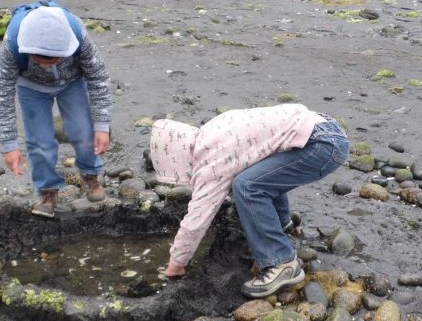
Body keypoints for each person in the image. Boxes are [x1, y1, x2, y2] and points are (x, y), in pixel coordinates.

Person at [150, 103, 349, 298]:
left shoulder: (212, 160)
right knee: (256, 171)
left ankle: (282, 264)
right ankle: (281, 224)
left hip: (320, 145)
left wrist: (176, 264)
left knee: (247, 187)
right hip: (325, 129)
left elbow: (196, 220)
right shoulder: (213, 130)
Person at [0, 3, 112, 218]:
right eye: (40, 60)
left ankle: (90, 175)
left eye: (54, 60)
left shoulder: (78, 35)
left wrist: (102, 126)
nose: (47, 65)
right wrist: (9, 145)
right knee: (39, 143)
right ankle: (47, 191)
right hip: (31, 87)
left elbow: (99, 78)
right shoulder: (11, 45)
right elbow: (2, 94)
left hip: (73, 82)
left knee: (83, 131)